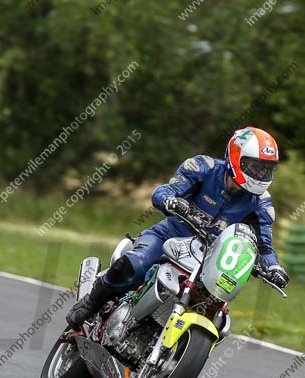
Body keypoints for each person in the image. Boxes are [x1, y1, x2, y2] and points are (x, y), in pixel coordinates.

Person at [67, 126, 289, 331]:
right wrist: (171, 201)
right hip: (168, 237)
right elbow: (163, 192)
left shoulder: (261, 204)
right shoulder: (203, 168)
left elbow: (264, 247)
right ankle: (90, 303)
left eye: (266, 169)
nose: (260, 174)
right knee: (134, 264)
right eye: (255, 166)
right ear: (235, 157)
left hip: (209, 261)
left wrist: (274, 269)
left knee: (216, 313)